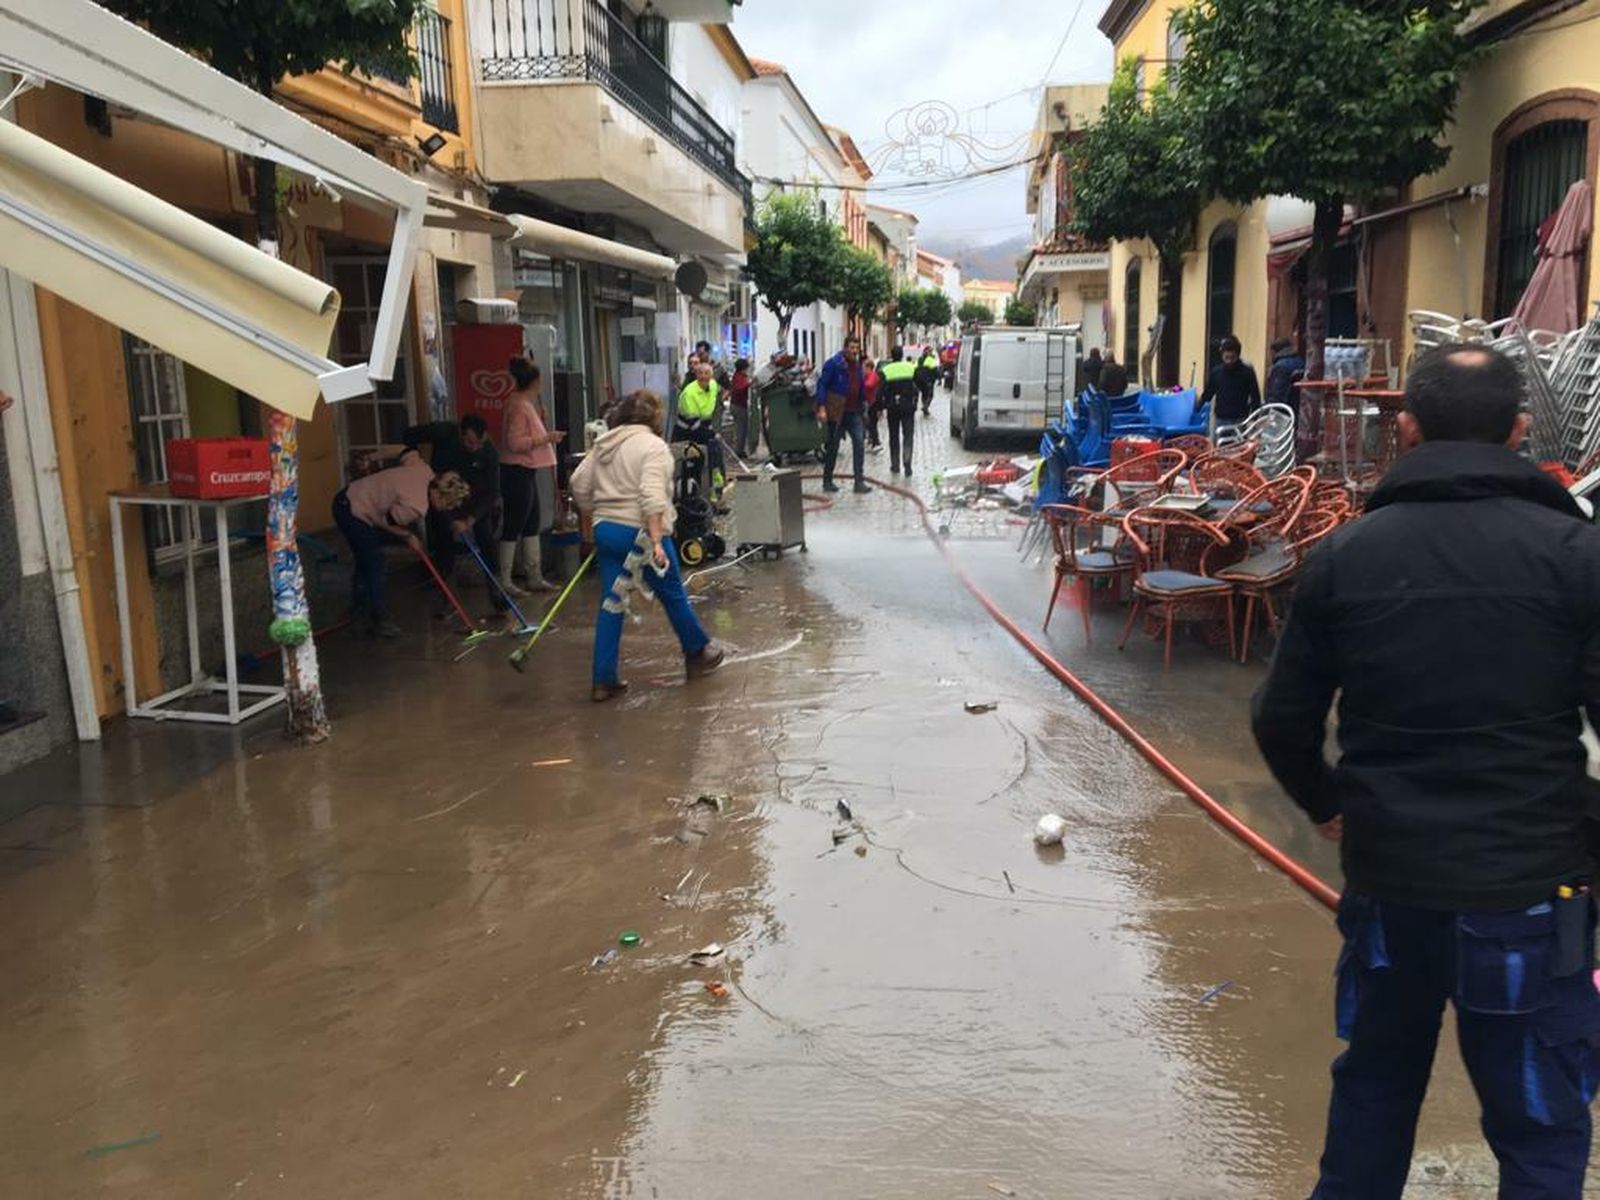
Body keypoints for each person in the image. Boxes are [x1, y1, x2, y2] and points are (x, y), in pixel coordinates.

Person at [1252, 343, 1600, 1200]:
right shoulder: (1578, 558)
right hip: (1530, 897)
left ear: (1404, 428)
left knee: (1373, 1094)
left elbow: (1280, 717)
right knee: (1537, 1129)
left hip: (1391, 892)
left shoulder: (1346, 555)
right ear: (1521, 431)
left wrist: (1328, 804)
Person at [570, 390, 725, 703]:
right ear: (654, 419)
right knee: (672, 594)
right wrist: (656, 541)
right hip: (643, 533)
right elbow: (652, 496)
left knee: (612, 603)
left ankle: (604, 680)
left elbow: (578, 484)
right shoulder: (654, 447)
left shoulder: (604, 444)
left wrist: (598, 513)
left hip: (608, 531)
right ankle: (698, 650)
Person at [332, 449, 471, 637]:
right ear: (439, 495)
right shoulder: (416, 506)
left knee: (366, 558)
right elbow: (383, 522)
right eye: (449, 504)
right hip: (352, 509)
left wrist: (371, 458)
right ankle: (378, 619)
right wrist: (407, 536)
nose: (448, 509)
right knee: (375, 562)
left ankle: (359, 609)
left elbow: (404, 449)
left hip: (349, 493)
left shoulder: (423, 469)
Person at [403, 413, 500, 610]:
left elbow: (492, 492)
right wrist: (417, 468)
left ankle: (497, 595)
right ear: (460, 434)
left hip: (473, 498)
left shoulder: (489, 451)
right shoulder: (444, 432)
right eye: (470, 442)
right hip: (442, 495)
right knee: (443, 545)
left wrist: (470, 520)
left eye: (479, 443)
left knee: (486, 538)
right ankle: (447, 598)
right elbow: (408, 435)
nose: (475, 448)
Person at [499, 357, 564, 596]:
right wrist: (547, 438)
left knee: (531, 522)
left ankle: (533, 575)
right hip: (516, 470)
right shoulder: (518, 405)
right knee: (514, 523)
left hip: (526, 470)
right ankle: (505, 579)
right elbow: (515, 443)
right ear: (535, 381)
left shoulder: (523, 403)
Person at [815, 335, 871, 494]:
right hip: (837, 412)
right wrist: (821, 407)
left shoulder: (858, 366)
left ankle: (859, 482)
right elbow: (822, 385)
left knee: (859, 444)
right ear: (845, 347)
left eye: (856, 348)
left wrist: (864, 403)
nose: (854, 351)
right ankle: (827, 480)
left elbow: (860, 387)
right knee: (833, 446)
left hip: (854, 412)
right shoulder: (833, 364)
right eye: (851, 348)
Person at [675, 360, 724, 498]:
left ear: (712, 376)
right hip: (687, 434)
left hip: (703, 429)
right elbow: (694, 425)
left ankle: (716, 494)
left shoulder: (713, 386)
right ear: (696, 375)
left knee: (716, 460)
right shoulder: (689, 393)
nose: (704, 377)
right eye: (700, 373)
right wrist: (713, 434)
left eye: (707, 373)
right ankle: (692, 498)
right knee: (693, 464)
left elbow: (715, 401)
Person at [1197, 334, 1262, 429]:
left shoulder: (1247, 373)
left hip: (1240, 419)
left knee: (1239, 444)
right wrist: (1197, 409)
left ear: (1238, 355)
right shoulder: (1216, 373)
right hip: (1221, 419)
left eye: (1233, 358)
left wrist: (1254, 418)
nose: (1229, 361)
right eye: (1226, 357)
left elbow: (1255, 397)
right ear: (1222, 356)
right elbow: (1208, 394)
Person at [879, 347, 920, 477]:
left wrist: (881, 406)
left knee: (894, 436)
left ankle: (895, 464)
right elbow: (921, 383)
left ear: (892, 356)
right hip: (908, 407)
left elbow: (879, 391)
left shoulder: (885, 370)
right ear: (902, 355)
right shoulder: (910, 368)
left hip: (892, 408)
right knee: (908, 435)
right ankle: (907, 463)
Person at [729, 357, 755, 459]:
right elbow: (740, 388)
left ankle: (740, 450)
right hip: (739, 406)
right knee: (741, 430)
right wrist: (749, 384)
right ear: (744, 368)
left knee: (741, 429)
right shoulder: (739, 377)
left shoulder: (739, 376)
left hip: (737, 405)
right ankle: (738, 451)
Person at [863, 355, 884, 452]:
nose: (863, 370)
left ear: (869, 368)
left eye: (864, 368)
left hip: (874, 403)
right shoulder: (868, 376)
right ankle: (873, 441)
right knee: (869, 423)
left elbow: (869, 385)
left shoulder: (872, 375)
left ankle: (876, 442)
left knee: (872, 423)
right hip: (870, 402)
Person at [915, 345, 939, 415]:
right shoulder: (931, 359)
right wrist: (938, 376)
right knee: (930, 394)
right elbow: (935, 369)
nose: (930, 352)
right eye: (929, 351)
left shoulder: (920, 359)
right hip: (929, 379)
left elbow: (916, 369)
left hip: (921, 380)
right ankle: (925, 406)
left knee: (924, 393)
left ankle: (925, 406)